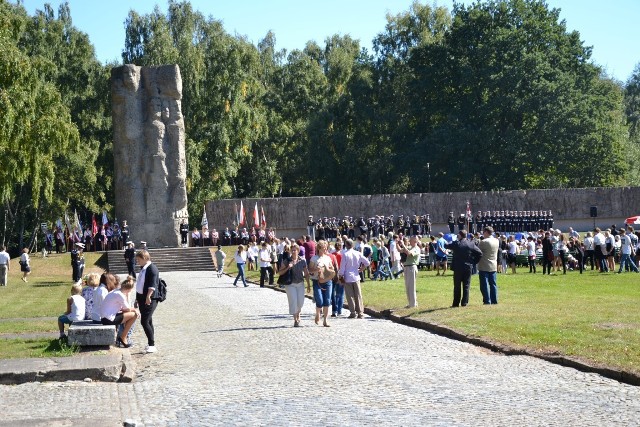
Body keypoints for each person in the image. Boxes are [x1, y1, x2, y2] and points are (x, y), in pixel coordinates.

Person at [445, 230, 482, 307]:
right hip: (468, 266)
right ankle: (464, 302)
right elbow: (479, 253)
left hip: (458, 267)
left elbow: (446, 245)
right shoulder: (471, 244)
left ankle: (456, 303)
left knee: (457, 286)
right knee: (466, 285)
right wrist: (474, 262)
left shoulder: (456, 244)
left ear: (460, 235)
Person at [102, 276, 139, 348]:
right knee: (134, 315)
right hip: (108, 319)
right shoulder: (120, 295)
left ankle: (122, 336)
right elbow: (128, 308)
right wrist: (128, 296)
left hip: (105, 318)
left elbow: (124, 309)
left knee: (130, 314)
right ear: (129, 289)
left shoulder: (115, 291)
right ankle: (123, 337)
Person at [134, 250, 160, 353]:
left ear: (144, 258)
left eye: (138, 259)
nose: (137, 261)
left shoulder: (152, 268)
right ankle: (150, 343)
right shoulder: (143, 268)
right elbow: (140, 284)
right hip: (141, 297)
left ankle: (152, 344)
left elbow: (152, 284)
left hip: (150, 298)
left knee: (144, 321)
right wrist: (137, 298)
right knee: (149, 321)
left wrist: (148, 296)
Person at [279, 244, 311, 327]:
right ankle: (295, 320)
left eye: (295, 250)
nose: (293, 252)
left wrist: (308, 284)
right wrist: (287, 268)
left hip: (300, 283)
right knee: (293, 301)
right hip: (290, 284)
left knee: (300, 302)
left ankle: (298, 314)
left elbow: (306, 273)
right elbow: (280, 272)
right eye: (292, 250)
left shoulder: (302, 260)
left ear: (298, 251)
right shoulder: (287, 260)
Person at [337, 239, 370, 319]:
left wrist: (340, 276)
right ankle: (360, 312)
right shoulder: (358, 253)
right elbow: (367, 262)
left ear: (346, 245)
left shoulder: (345, 254)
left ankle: (352, 312)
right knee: (358, 295)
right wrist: (361, 269)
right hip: (356, 275)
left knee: (350, 296)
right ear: (353, 245)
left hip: (347, 277)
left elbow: (342, 267)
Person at [308, 240, 335, 326]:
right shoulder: (314, 258)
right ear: (319, 248)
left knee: (327, 300)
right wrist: (316, 269)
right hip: (317, 281)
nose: (325, 249)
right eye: (323, 248)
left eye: (326, 248)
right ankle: (317, 314)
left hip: (327, 281)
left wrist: (327, 268)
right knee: (319, 300)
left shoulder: (328, 258)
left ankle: (325, 320)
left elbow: (332, 269)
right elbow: (310, 270)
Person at [478, 226, 499, 305]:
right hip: (493, 264)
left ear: (486, 232)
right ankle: (494, 300)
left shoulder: (484, 242)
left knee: (484, 284)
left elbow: (478, 251)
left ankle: (487, 300)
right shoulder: (496, 240)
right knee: (493, 284)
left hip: (484, 265)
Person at [398, 235, 421, 308]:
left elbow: (409, 254)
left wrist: (403, 244)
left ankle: (413, 304)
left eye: (410, 240)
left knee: (411, 286)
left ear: (415, 241)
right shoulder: (410, 247)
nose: (409, 241)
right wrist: (397, 243)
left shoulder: (416, 248)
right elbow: (400, 250)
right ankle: (410, 303)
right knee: (407, 286)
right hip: (407, 267)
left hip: (411, 267)